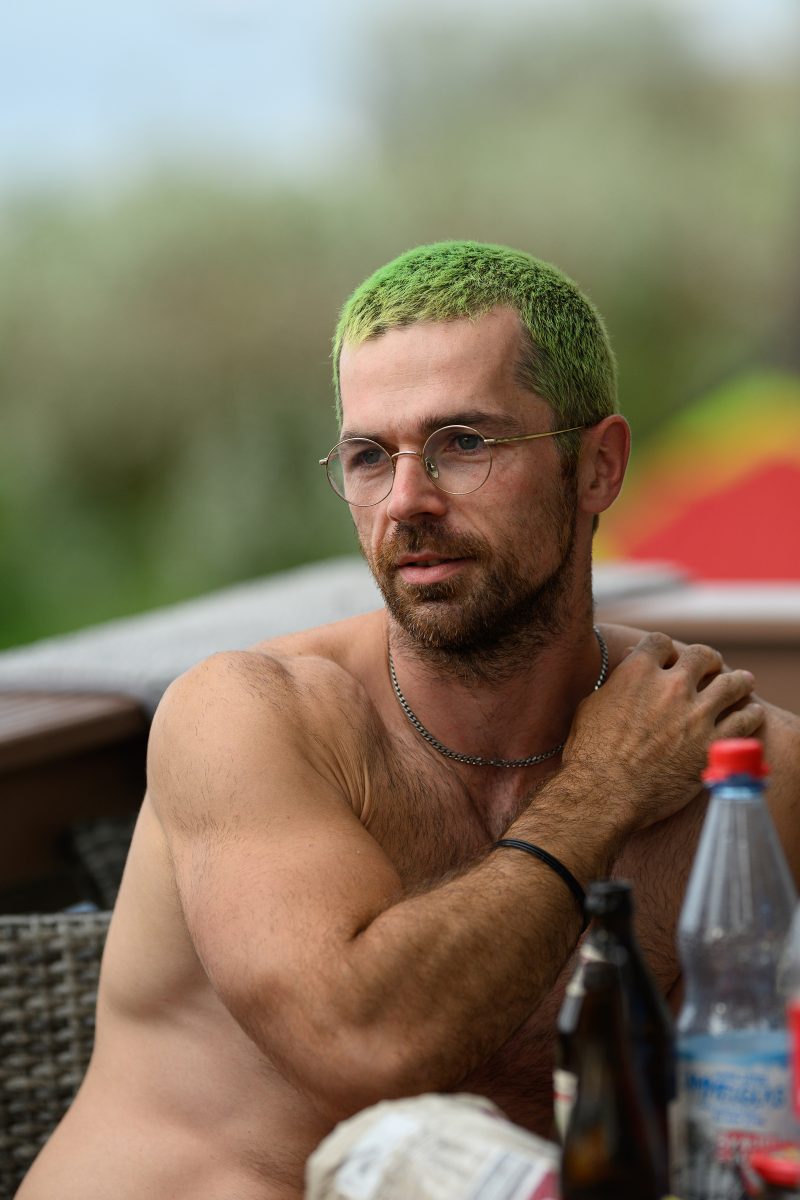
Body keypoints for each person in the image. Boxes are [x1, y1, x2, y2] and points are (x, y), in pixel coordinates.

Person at [17, 241, 800, 1200]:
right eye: (365, 457)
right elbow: (367, 1044)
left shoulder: (743, 777)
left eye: (464, 444)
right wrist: (603, 790)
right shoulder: (249, 716)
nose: (407, 503)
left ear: (597, 466)